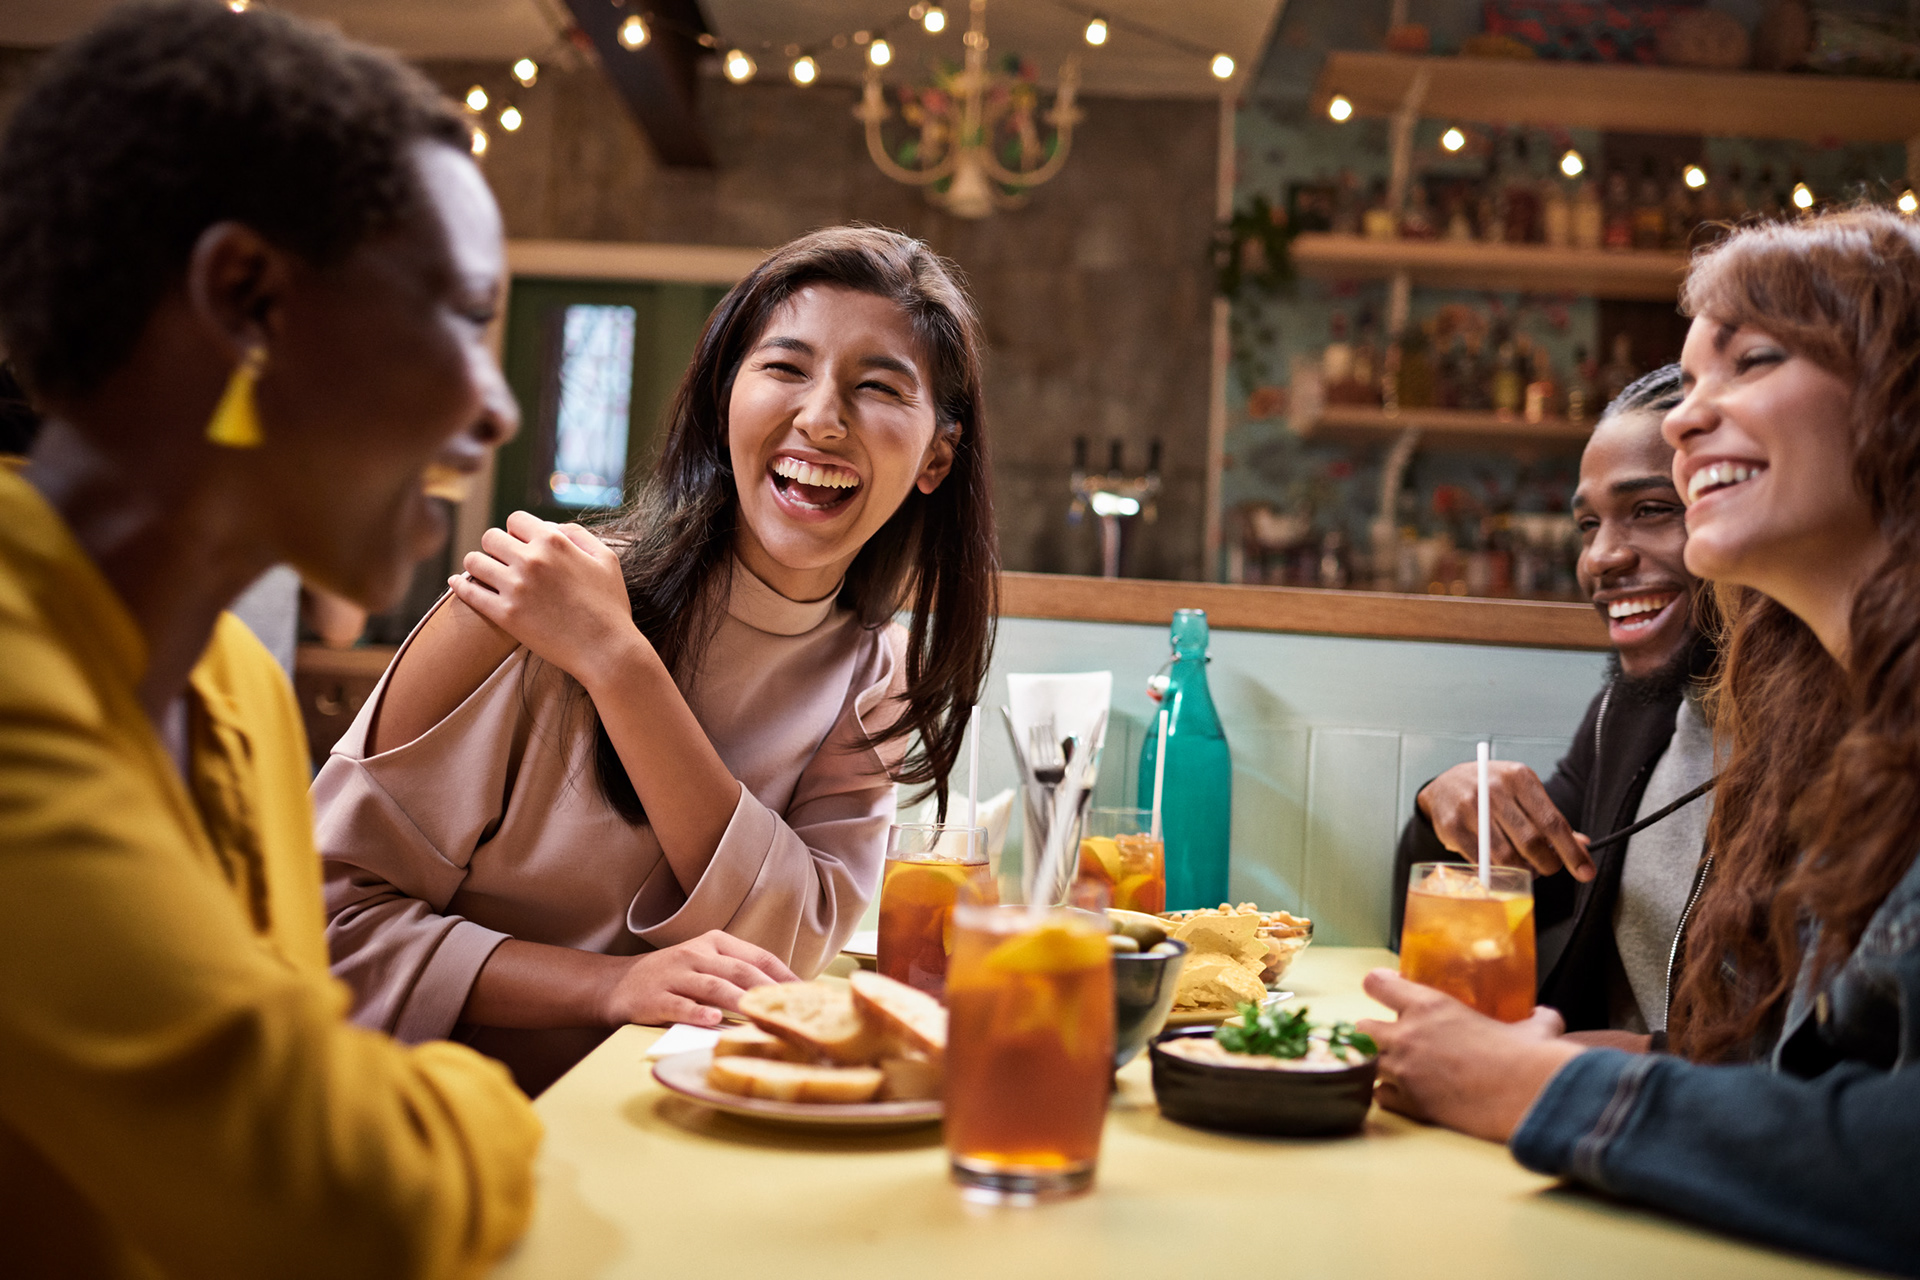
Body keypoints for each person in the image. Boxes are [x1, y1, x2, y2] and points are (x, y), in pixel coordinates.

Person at [0, 3, 543, 1277]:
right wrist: (478, 1102)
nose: (497, 410)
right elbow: (344, 1196)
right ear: (248, 299)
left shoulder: (236, 680)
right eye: (464, 318)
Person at [1361, 208, 1920, 1276]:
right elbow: (1818, 1071)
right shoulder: (1724, 708)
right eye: (1689, 383)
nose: (1686, 418)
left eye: (1751, 360)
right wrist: (1450, 792)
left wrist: (1551, 1089)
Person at [314, 226, 998, 1094]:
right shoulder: (527, 600)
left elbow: (784, 951)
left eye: (876, 387)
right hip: (422, 1135)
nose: (822, 418)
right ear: (725, 400)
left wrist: (619, 664)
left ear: (936, 456)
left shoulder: (872, 680)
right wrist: (608, 987)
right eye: (786, 369)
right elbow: (323, 922)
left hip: (658, 1137)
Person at [1393, 364, 1717, 1040]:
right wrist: (1445, 806)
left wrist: (1576, 1066)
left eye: (1651, 510)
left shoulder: (1846, 745)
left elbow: (1814, 1074)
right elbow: (1477, 916)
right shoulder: (1627, 715)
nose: (1599, 557)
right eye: (1587, 524)